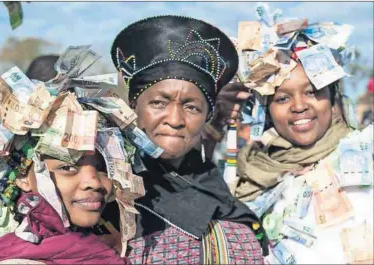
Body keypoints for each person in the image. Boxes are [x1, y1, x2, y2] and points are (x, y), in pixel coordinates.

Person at [102, 15, 268, 264]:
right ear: (133, 108)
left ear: (206, 118)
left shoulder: (219, 195)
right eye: (158, 103)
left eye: (191, 107)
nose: (175, 119)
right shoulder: (103, 189)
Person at [232, 5, 373, 264]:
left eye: (312, 91)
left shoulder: (367, 156)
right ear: (266, 110)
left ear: (333, 99)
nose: (299, 106)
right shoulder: (252, 176)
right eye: (283, 97)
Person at [0, 65, 134, 265]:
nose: (94, 182)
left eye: (102, 168)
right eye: (68, 167)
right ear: (22, 176)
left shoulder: (109, 239)